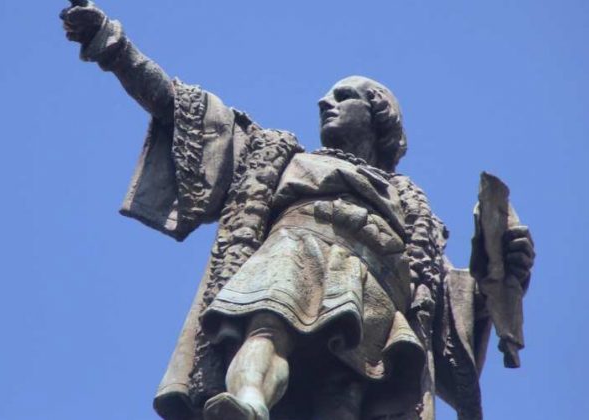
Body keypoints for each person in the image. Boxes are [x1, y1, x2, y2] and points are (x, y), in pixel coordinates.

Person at [60, 3, 535, 420]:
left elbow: (447, 314)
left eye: (343, 96)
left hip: (378, 286)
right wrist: (112, 45)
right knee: (268, 326)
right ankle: (246, 402)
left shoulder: (416, 213)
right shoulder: (278, 156)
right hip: (297, 249)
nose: (323, 101)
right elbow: (182, 107)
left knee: (348, 386)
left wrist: (496, 267)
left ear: (378, 115)